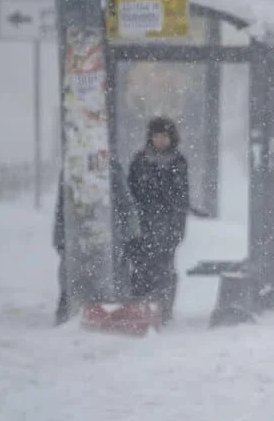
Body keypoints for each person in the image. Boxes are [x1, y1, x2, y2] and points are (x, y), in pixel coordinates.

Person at [53, 161, 141, 325]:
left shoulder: (112, 169)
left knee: (112, 277)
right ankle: (72, 317)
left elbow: (126, 203)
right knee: (73, 277)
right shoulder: (71, 168)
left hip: (109, 235)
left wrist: (130, 235)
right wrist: (60, 238)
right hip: (78, 234)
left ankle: (110, 316)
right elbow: (62, 206)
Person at [127, 116, 190, 323]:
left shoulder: (178, 162)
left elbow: (181, 198)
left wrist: (177, 229)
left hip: (167, 227)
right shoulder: (139, 161)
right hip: (143, 227)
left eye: (164, 136)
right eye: (156, 136)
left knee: (164, 269)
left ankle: (162, 310)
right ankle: (141, 309)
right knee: (141, 269)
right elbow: (132, 194)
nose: (160, 140)